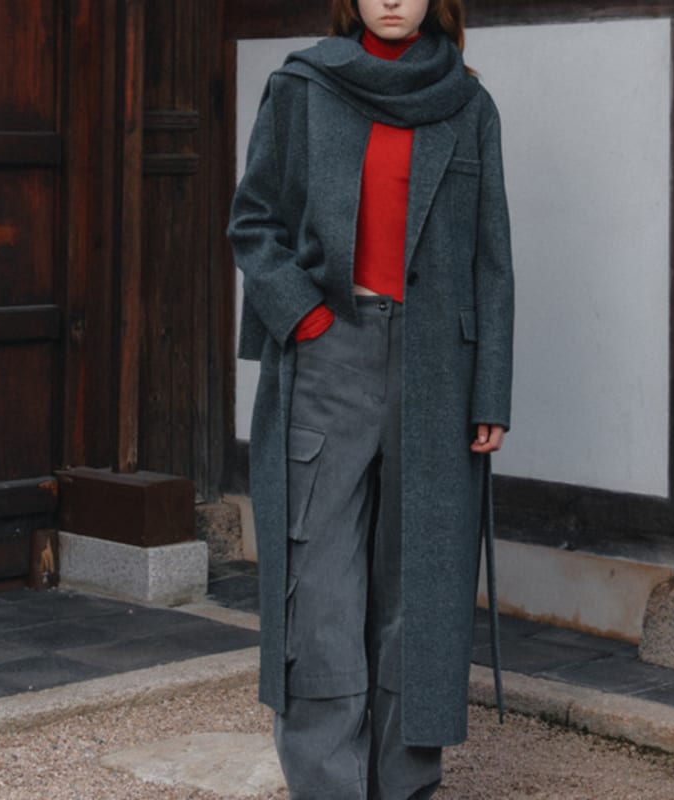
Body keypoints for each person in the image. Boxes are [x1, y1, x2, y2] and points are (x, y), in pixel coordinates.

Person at [228, 0, 514, 796]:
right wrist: (307, 318)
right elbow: (254, 222)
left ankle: (404, 785)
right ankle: (328, 785)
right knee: (318, 580)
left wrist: (490, 391)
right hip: (330, 353)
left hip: (438, 369)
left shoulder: (469, 104)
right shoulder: (301, 88)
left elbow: (492, 259)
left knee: (420, 586)